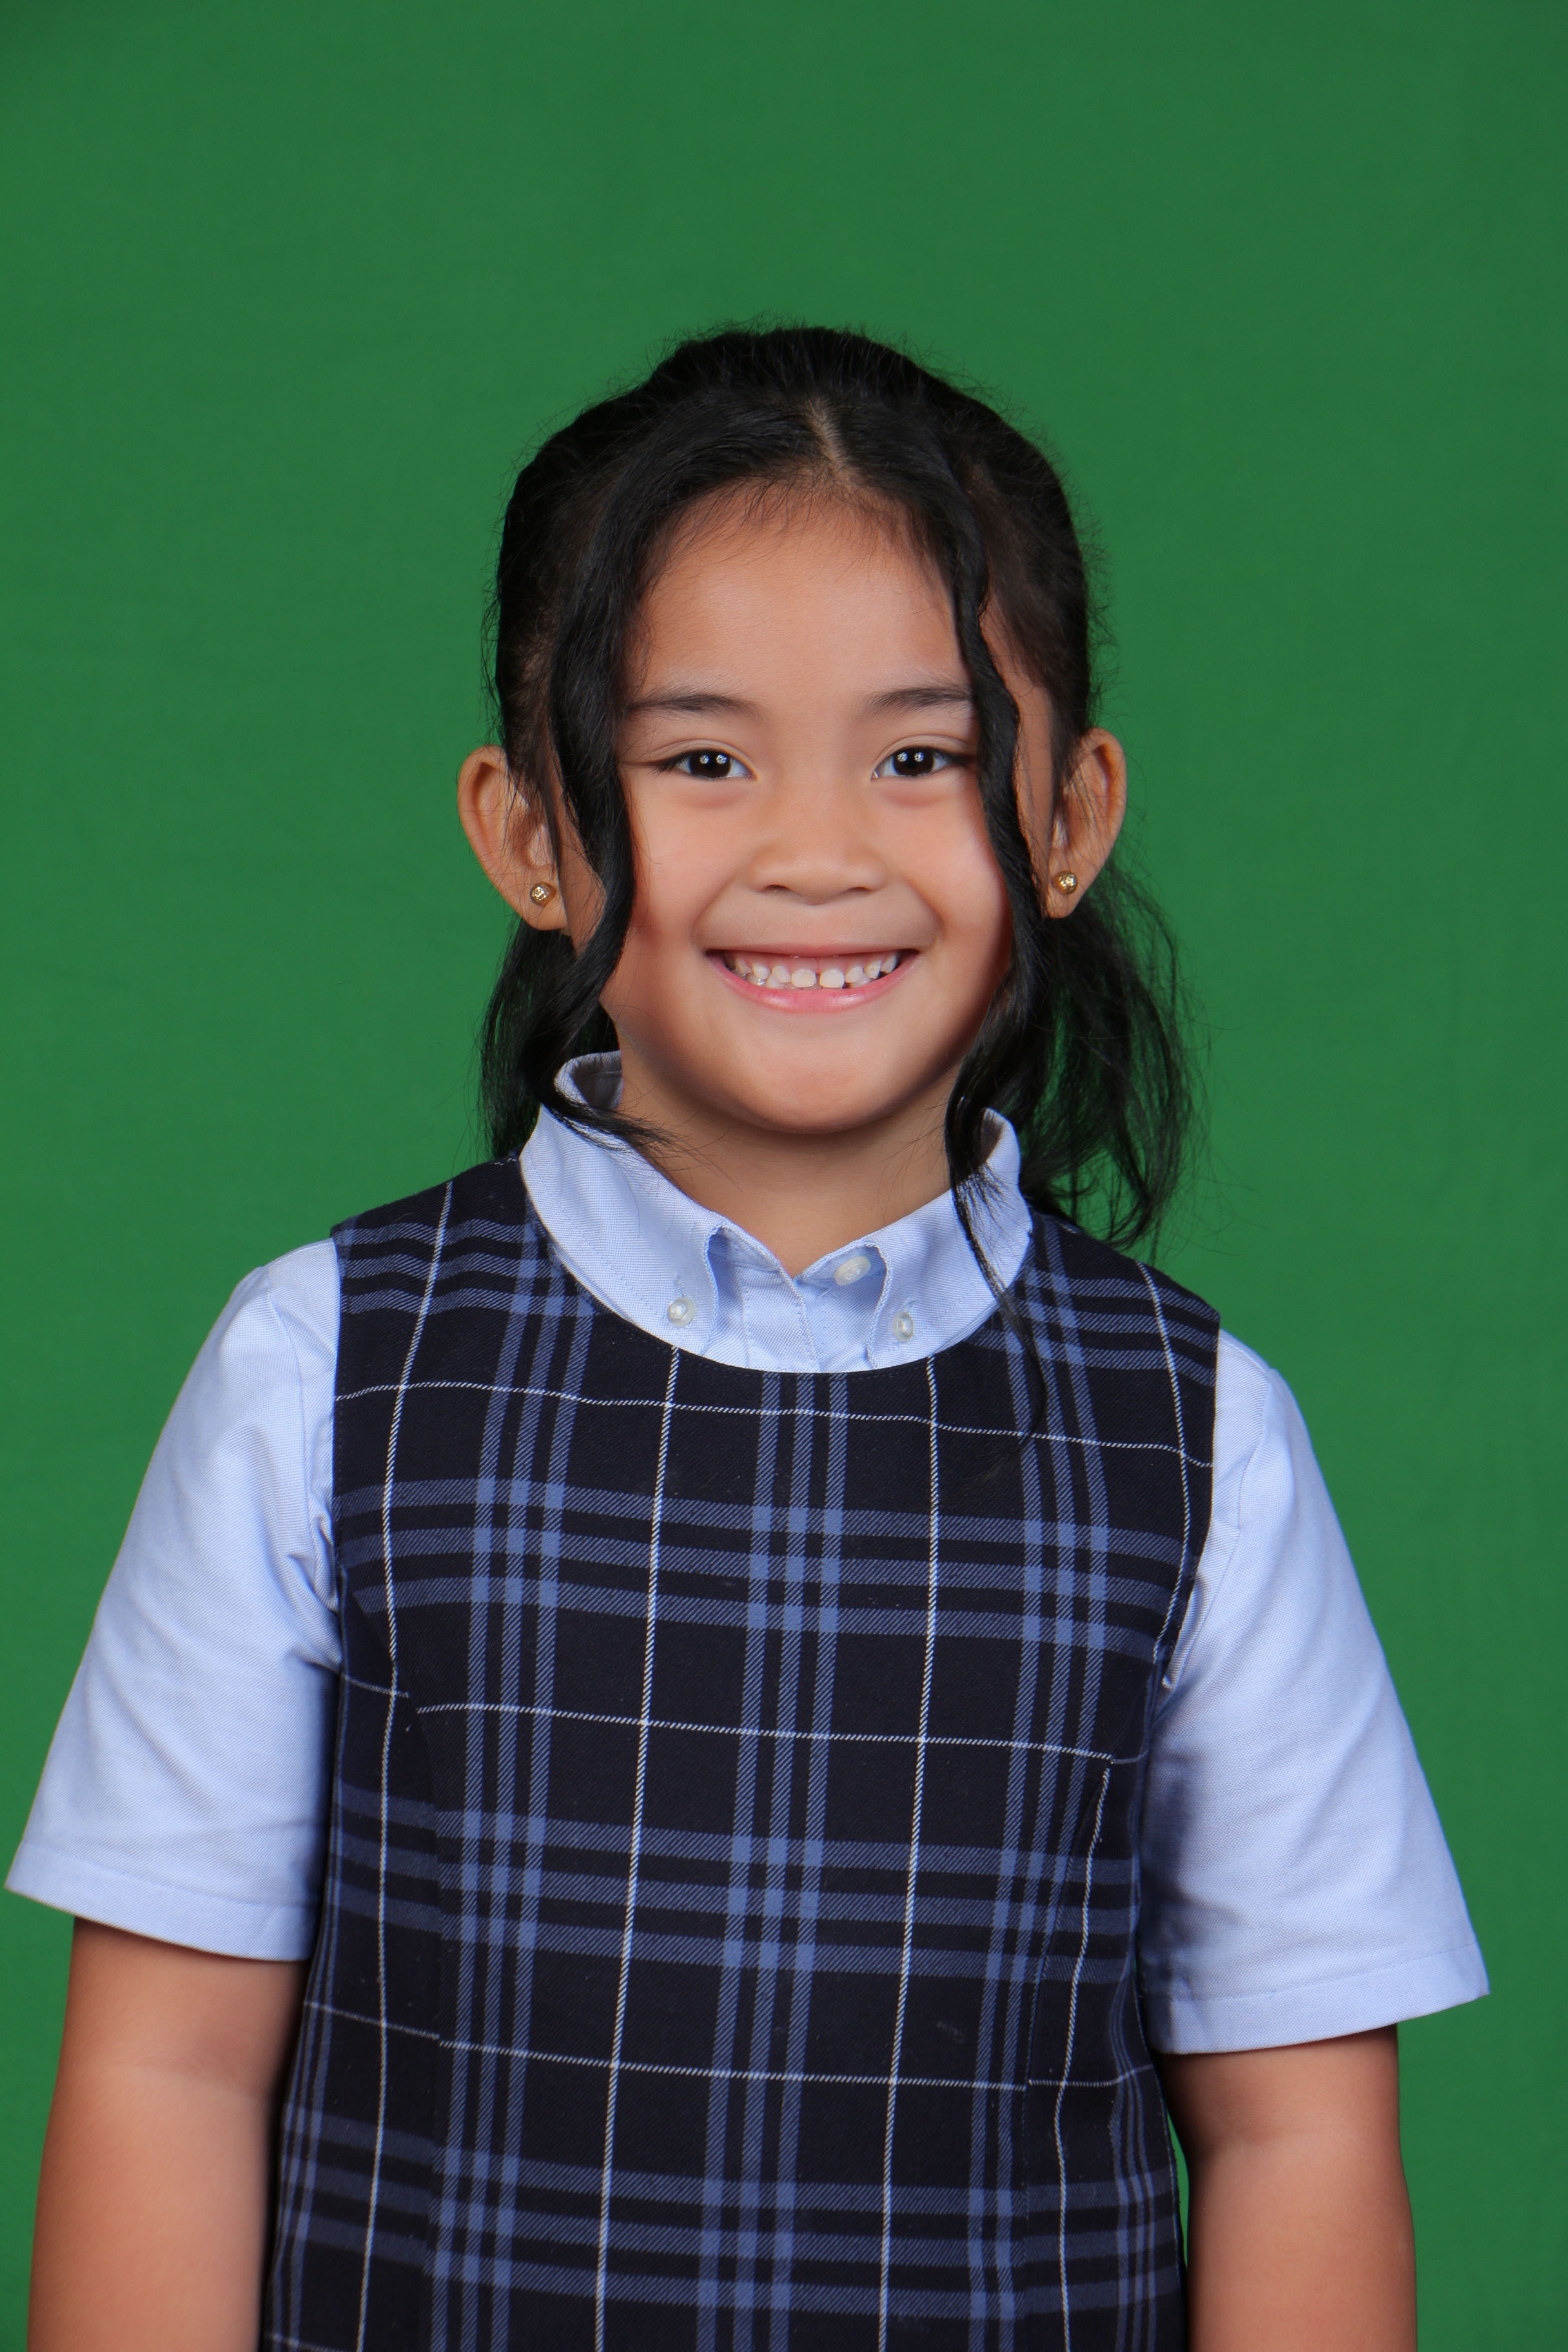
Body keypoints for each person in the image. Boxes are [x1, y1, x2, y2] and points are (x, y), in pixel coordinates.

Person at [12, 328, 1485, 2352]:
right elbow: (167, 2070)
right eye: (704, 759)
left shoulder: (1199, 1434)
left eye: (922, 756)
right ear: (531, 831)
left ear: (1069, 815)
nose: (817, 851)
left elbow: (1293, 2133)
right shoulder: (321, 1368)